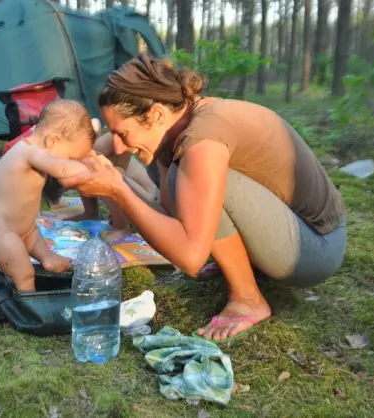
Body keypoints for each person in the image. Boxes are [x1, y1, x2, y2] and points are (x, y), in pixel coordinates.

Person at [59, 53, 347, 341]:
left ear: (156, 114)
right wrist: (100, 173)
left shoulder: (202, 140)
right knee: (183, 183)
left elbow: (191, 256)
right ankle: (238, 269)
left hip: (314, 247)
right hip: (288, 232)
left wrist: (118, 190)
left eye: (123, 133)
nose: (119, 146)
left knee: (198, 178)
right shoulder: (177, 128)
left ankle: (248, 299)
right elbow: (172, 219)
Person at [0, 99, 96, 293]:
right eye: (73, 157)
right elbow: (62, 168)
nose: (73, 161)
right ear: (53, 140)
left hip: (21, 228)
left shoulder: (38, 150)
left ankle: (47, 259)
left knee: (31, 234)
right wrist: (92, 169)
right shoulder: (29, 152)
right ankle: (30, 304)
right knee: (25, 273)